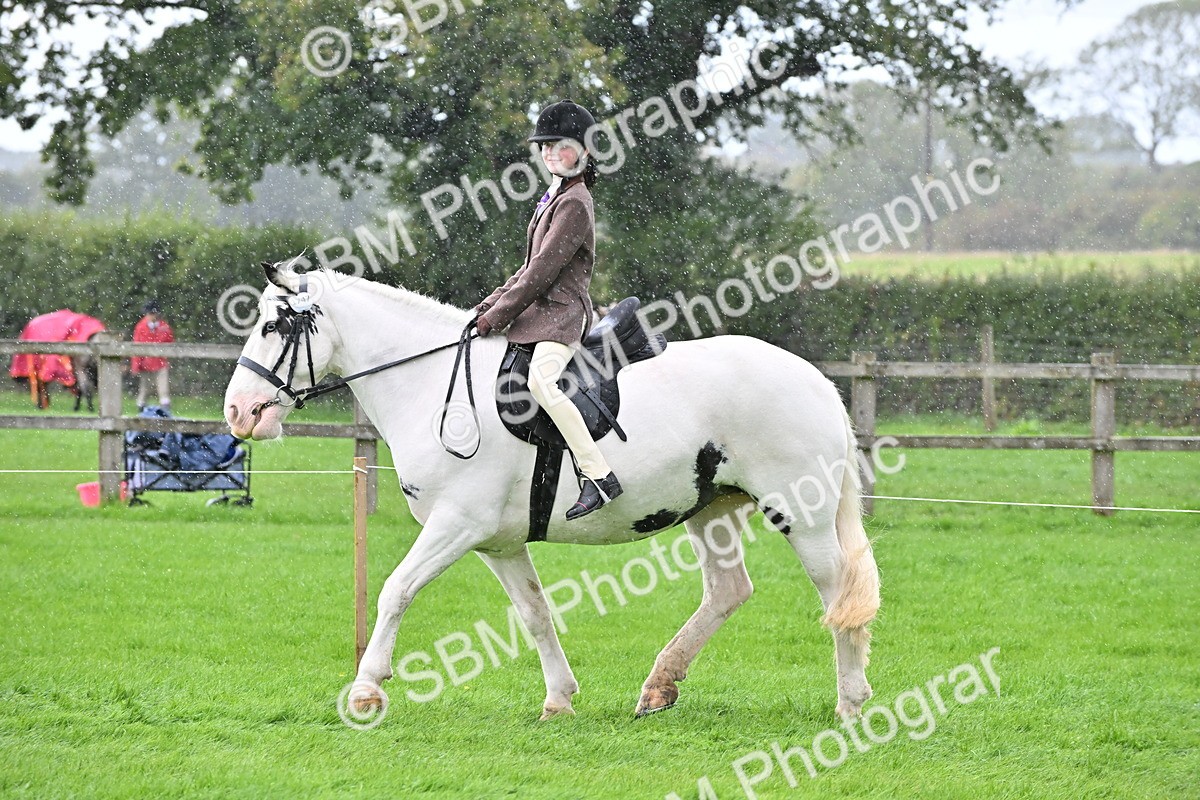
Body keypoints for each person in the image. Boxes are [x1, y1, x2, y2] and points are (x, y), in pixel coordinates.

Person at [473, 99, 622, 521]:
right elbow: (525, 268)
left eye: (561, 145)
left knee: (542, 383)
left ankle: (599, 476)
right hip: (537, 315)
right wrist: (486, 306)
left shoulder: (575, 202)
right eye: (545, 146)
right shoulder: (553, 196)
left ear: (586, 151)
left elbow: (541, 272)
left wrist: (497, 317)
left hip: (561, 318)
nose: (550, 153)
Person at [131, 300, 175, 412]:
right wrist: (136, 365)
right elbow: (137, 347)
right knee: (144, 390)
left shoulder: (164, 327)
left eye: (151, 314)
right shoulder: (141, 327)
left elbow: (170, 343)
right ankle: (141, 413)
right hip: (145, 365)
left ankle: (165, 414)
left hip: (160, 364)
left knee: (163, 390)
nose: (149, 316)